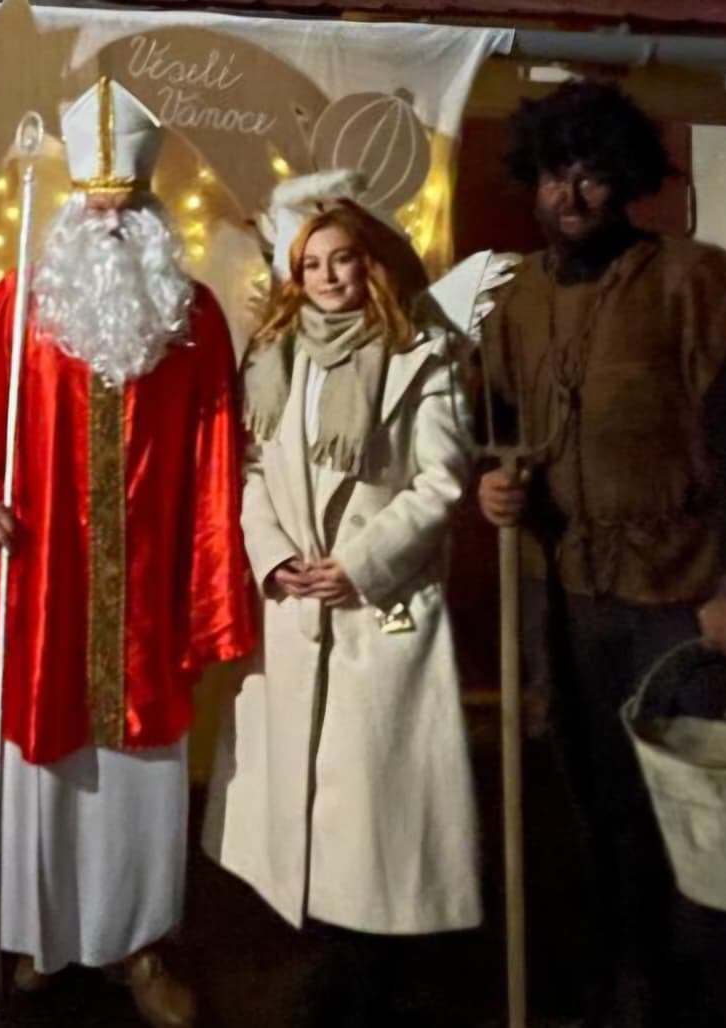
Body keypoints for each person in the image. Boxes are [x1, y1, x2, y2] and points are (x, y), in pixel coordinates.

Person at [0, 78, 254, 1028]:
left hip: (146, 590)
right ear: (70, 205)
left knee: (142, 773)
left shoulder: (192, 320)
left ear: (151, 210)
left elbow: (217, 459)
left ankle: (140, 946)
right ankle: (44, 935)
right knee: (44, 767)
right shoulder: (15, 308)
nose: (109, 223)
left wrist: (207, 579)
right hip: (43, 585)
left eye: (126, 206)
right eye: (96, 206)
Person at [477, 80, 726, 1028]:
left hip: (681, 592)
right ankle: (628, 987)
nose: (572, 196)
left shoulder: (692, 280)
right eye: (555, 175)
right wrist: (494, 487)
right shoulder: (515, 300)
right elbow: (498, 429)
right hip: (570, 596)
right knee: (600, 803)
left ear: (623, 181)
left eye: (590, 175)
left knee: (695, 811)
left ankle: (708, 1000)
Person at [206, 194, 481, 1026]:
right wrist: (273, 556)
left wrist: (361, 564)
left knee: (371, 812)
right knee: (307, 802)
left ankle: (376, 971)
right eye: (312, 264)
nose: (328, 278)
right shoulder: (275, 357)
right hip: (297, 607)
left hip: (377, 608)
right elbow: (253, 471)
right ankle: (322, 954)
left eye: (343, 260)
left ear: (371, 266)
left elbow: (442, 479)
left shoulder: (420, 356)